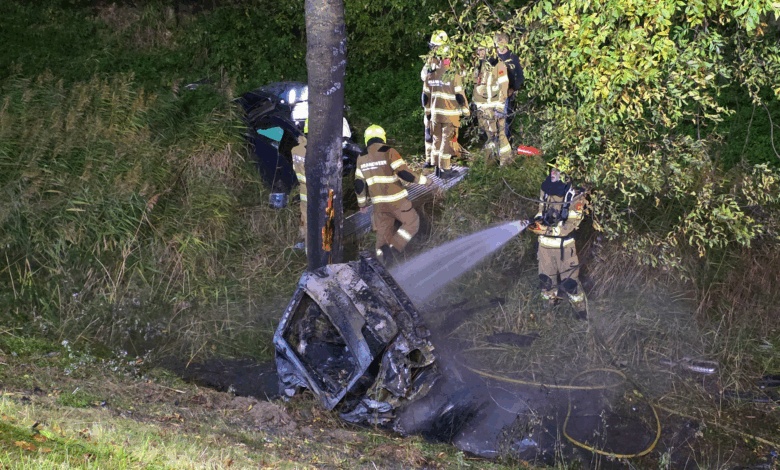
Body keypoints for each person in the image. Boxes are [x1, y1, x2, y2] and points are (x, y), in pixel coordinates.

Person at [355, 124, 433, 266]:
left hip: (379, 205)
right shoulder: (388, 151)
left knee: (382, 236)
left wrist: (362, 204)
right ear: (382, 137)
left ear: (367, 139)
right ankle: (394, 248)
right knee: (412, 222)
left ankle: (381, 265)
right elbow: (404, 173)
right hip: (397, 200)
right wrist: (425, 181)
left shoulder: (361, 157)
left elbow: (359, 184)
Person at [527, 159, 589, 319]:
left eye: (557, 171)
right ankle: (548, 314)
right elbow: (541, 209)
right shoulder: (546, 188)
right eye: (552, 170)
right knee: (546, 283)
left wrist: (546, 230)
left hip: (565, 249)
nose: (553, 174)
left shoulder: (575, 194)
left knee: (571, 284)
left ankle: (582, 315)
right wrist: (536, 221)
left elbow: (571, 225)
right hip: (544, 248)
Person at [422, 32, 470, 179]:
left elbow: (425, 95)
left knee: (437, 140)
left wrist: (428, 112)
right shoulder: (453, 72)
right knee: (446, 141)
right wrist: (466, 110)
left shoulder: (431, 71)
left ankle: (437, 167)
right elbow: (460, 94)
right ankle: (445, 169)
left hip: (434, 112)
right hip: (449, 113)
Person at [471, 35, 513, 166]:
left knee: (501, 135)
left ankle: (505, 162)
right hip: (482, 108)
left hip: (494, 107)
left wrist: (500, 107)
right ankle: (490, 161)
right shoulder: (478, 66)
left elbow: (504, 86)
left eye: (482, 49)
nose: (479, 52)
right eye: (478, 50)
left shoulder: (499, 65)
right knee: (490, 136)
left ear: (489, 50)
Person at [494, 32, 524, 144]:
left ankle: (506, 143)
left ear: (506, 43)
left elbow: (520, 76)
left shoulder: (513, 57)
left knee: (506, 119)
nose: (500, 45)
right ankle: (494, 142)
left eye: (502, 42)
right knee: (493, 119)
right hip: (493, 93)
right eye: (498, 42)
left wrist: (513, 89)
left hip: (507, 93)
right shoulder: (493, 57)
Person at [291, 129, 308, 251]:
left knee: (305, 216)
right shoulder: (314, 151)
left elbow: (295, 168)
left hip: (303, 189)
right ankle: (311, 248)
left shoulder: (295, 150)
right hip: (314, 191)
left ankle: (304, 242)